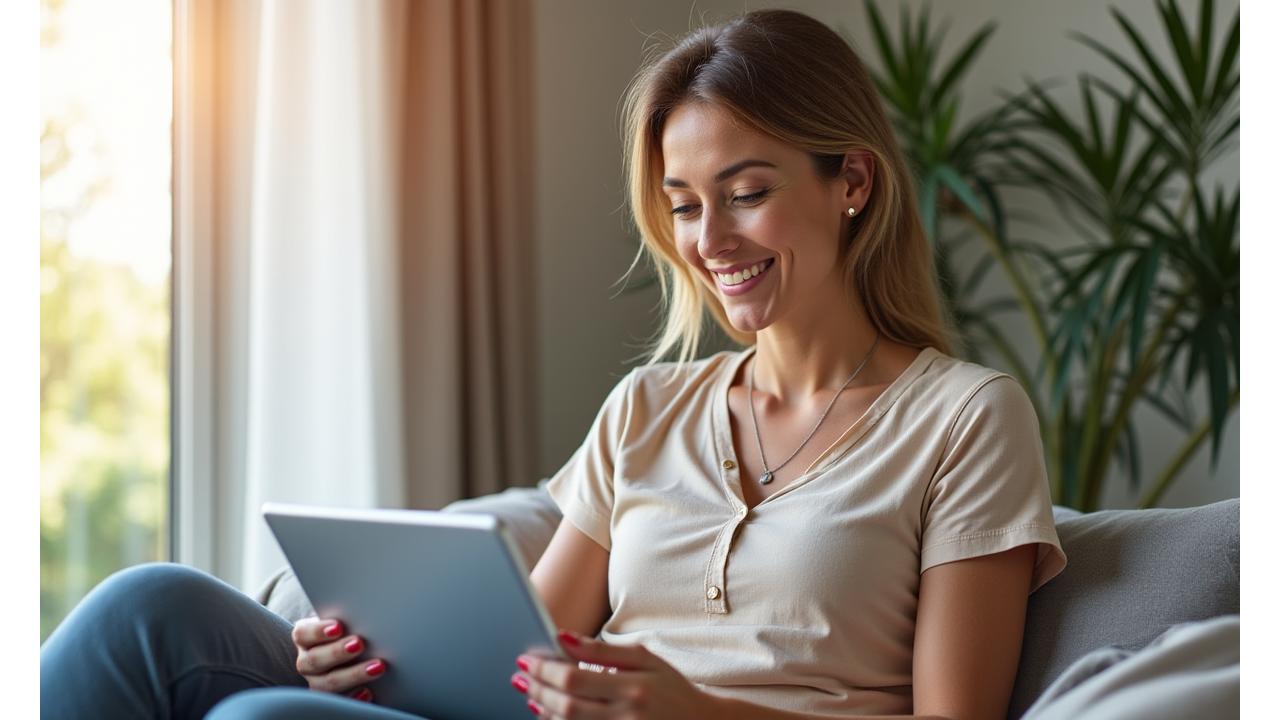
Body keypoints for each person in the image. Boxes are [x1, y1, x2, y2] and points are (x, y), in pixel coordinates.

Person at [40, 8, 1066, 719]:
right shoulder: (649, 408)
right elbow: (518, 658)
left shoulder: (966, 419)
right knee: (148, 607)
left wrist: (699, 713)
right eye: (683, 205)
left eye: (746, 193)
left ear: (852, 184)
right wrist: (361, 661)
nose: (709, 240)